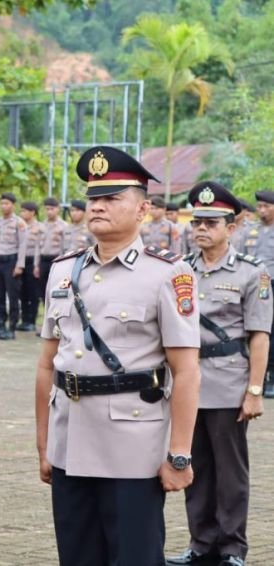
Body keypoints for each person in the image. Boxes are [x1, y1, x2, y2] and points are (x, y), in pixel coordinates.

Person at [35, 145, 200, 566]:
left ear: (143, 208)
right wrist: (44, 445)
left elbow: (186, 372)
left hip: (132, 448)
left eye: (112, 199)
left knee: (134, 557)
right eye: (93, 199)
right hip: (70, 441)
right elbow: (46, 365)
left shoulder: (168, 273)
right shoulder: (63, 270)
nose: (98, 207)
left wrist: (179, 454)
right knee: (77, 556)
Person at [166, 182, 270, 566]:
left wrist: (255, 389)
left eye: (212, 222)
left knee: (230, 472)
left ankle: (231, 548)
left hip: (228, 382)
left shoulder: (250, 274)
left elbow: (259, 336)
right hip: (187, 383)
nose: (202, 229)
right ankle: (200, 543)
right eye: (198, 222)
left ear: (233, 225)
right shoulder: (179, 271)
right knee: (193, 465)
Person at [244, 191, 274, 398]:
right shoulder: (251, 231)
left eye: (266, 206)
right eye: (260, 206)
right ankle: (258, 378)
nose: (262, 210)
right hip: (255, 286)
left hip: (273, 284)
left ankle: (271, 377)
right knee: (255, 330)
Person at [0, 192, 27, 340]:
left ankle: (12, 328)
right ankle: (1, 326)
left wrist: (20, 265)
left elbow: (23, 245)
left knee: (13, 296)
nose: (4, 206)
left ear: (13, 205)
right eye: (2, 204)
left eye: (7, 204)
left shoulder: (19, 223)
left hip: (11, 262)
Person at [34, 197, 67, 329]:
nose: (49, 212)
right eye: (47, 209)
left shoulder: (64, 226)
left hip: (57, 261)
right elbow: (37, 246)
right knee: (43, 291)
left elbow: (65, 247)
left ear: (58, 209)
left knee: (57, 292)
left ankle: (57, 323)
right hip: (43, 260)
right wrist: (36, 264)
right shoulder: (41, 226)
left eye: (52, 209)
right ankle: (46, 323)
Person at [19, 201, 43, 332]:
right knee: (22, 292)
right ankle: (24, 320)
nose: (22, 213)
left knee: (33, 292)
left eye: (24, 211)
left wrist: (36, 264)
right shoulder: (20, 226)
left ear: (32, 212)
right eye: (21, 211)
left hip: (32, 261)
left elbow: (40, 246)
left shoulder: (39, 227)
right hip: (21, 261)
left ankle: (31, 321)